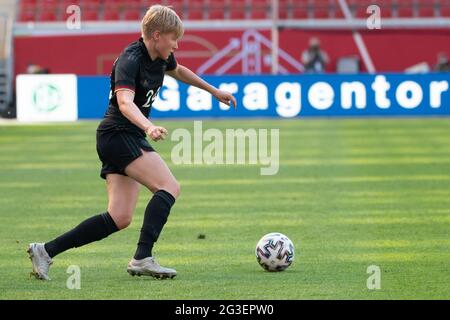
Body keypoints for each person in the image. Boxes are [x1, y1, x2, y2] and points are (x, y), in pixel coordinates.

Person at [27, 5, 237, 280]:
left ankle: (45, 251)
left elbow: (180, 71)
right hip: (118, 134)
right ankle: (142, 257)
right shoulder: (131, 59)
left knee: (119, 217)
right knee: (169, 186)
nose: (176, 44)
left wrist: (213, 91)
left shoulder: (160, 57)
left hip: (122, 136)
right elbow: (125, 103)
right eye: (174, 38)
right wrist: (148, 127)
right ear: (157, 35)